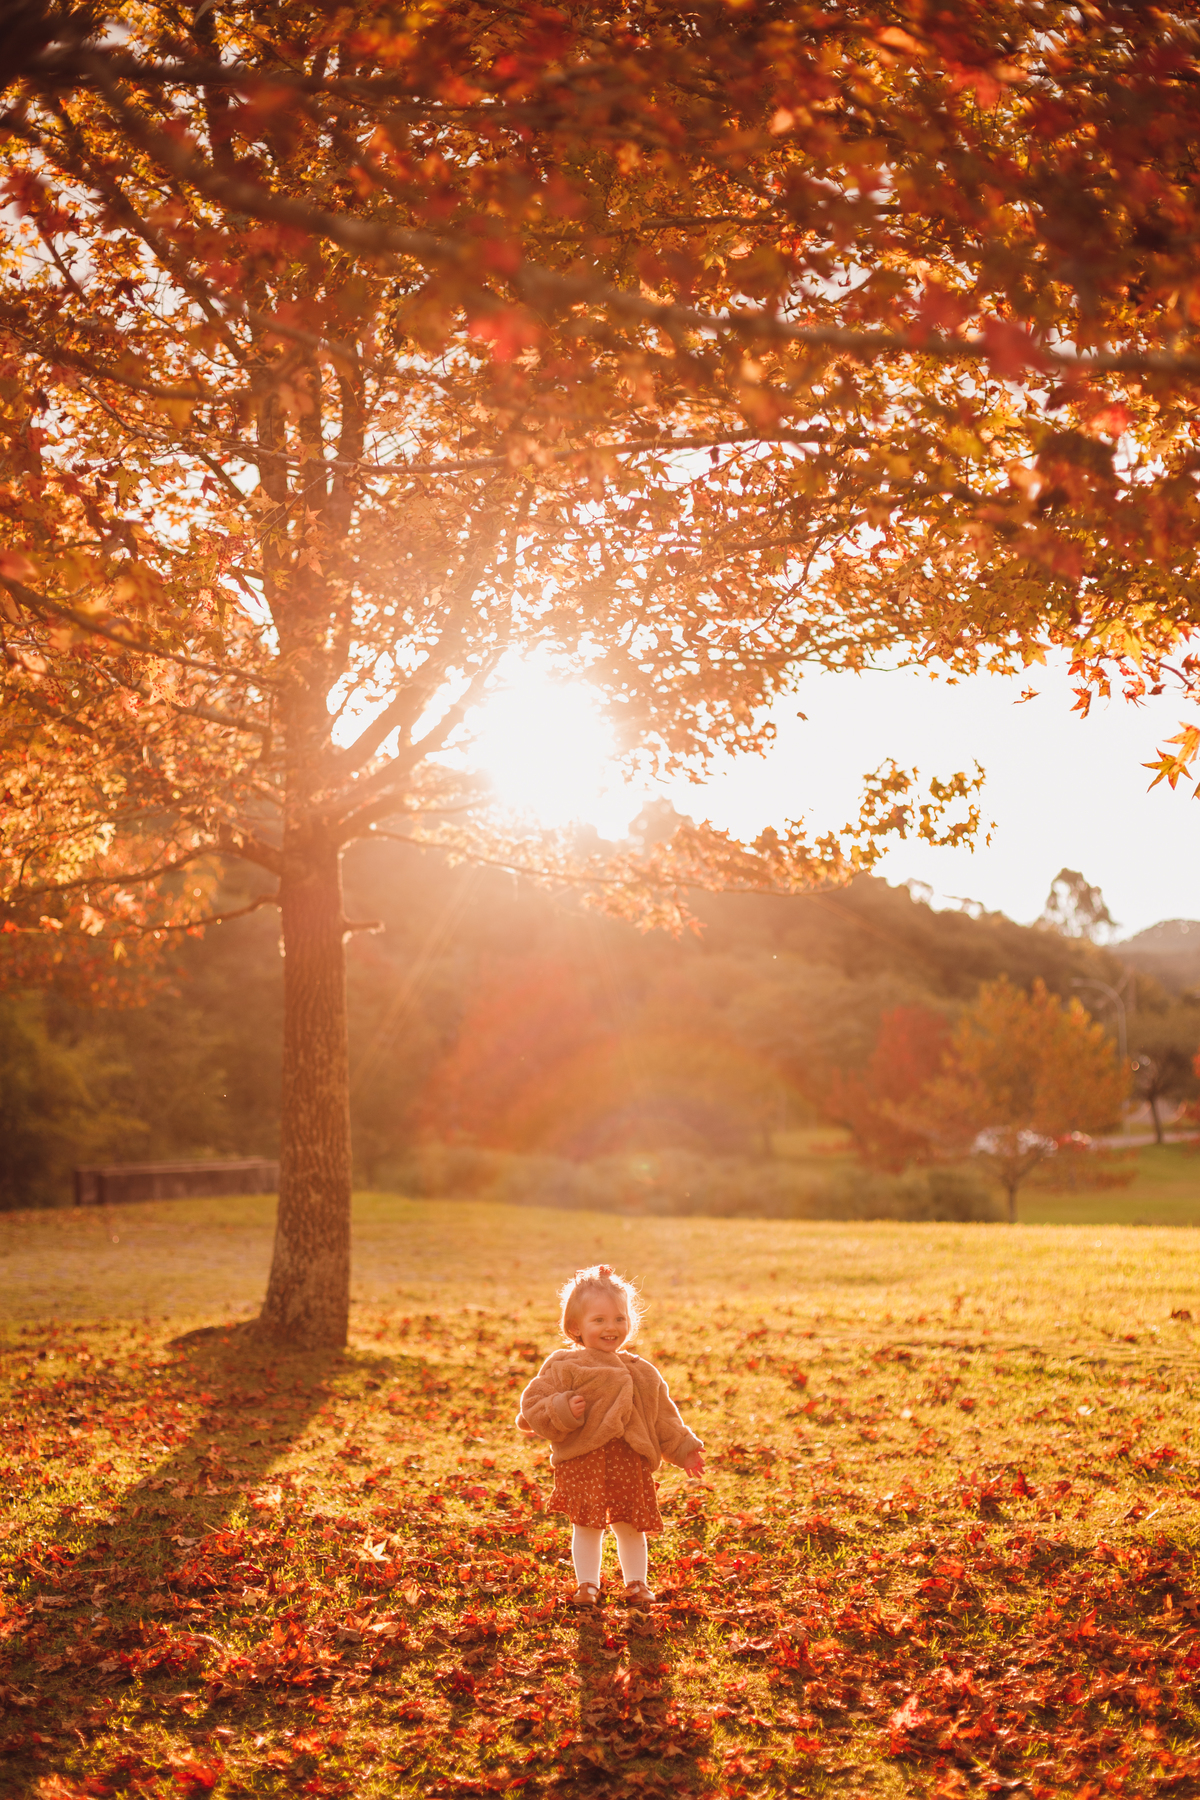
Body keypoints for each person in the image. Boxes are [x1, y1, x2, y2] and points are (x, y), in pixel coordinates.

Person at [516, 1263, 704, 1607]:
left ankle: (637, 1584)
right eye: (599, 1320)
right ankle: (587, 1585)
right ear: (576, 1327)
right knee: (588, 1526)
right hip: (584, 1460)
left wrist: (683, 1447)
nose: (611, 1327)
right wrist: (561, 1408)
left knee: (630, 1525)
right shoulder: (565, 1365)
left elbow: (663, 1416)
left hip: (628, 1461)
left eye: (619, 1318)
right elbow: (532, 1404)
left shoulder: (642, 1372)